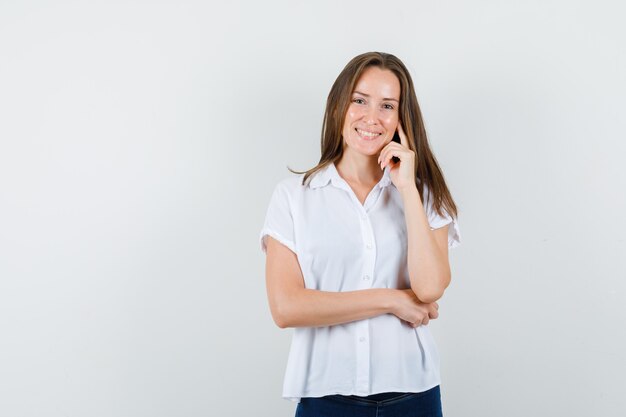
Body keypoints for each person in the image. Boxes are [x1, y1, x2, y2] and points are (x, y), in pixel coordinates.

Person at [259, 51, 461, 417]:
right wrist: (391, 299)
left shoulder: (422, 193)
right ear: (339, 106)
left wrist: (408, 190)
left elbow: (430, 288)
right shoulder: (294, 197)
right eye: (360, 100)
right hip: (326, 397)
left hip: (413, 395)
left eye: (387, 105)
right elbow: (286, 307)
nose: (372, 117)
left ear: (401, 119)